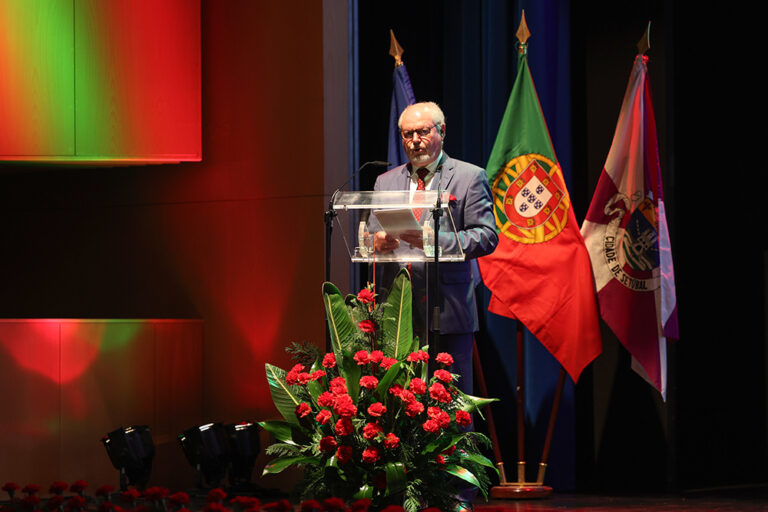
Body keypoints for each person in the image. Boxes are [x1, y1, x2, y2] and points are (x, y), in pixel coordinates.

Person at [372, 101, 498, 396]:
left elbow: (487, 236)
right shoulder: (384, 182)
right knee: (401, 409)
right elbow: (372, 233)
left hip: (448, 311)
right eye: (407, 134)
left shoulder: (469, 177)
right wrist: (375, 242)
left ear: (441, 131)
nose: (414, 141)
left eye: (422, 132)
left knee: (450, 410)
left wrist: (435, 241)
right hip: (397, 312)